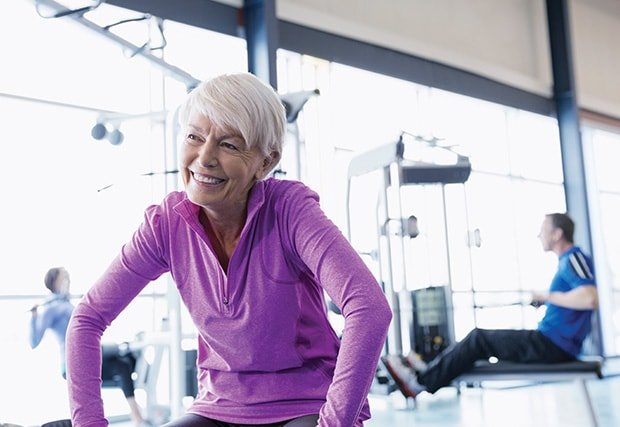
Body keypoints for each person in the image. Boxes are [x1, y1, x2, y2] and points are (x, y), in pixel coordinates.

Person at [65, 72, 392, 427]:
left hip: (305, 403)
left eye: (230, 145)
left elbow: (369, 307)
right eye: (194, 136)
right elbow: (87, 319)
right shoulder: (165, 224)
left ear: (265, 162)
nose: (204, 158)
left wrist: (333, 422)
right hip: (217, 406)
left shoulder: (290, 210)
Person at [382, 212, 598, 398]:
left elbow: (590, 298)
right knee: (477, 341)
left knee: (479, 339)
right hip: (550, 341)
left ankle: (420, 383)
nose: (539, 235)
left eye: (543, 230)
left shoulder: (573, 257)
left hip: (552, 344)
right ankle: (427, 368)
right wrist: (546, 299)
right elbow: (575, 297)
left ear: (557, 234)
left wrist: (547, 295)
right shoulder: (566, 261)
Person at [30, 267, 149, 426]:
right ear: (55, 282)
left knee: (126, 362)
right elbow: (34, 342)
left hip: (87, 355)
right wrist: (34, 318)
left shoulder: (66, 303)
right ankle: (137, 417)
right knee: (122, 362)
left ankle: (137, 415)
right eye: (65, 277)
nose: (69, 280)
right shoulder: (51, 309)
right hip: (73, 362)